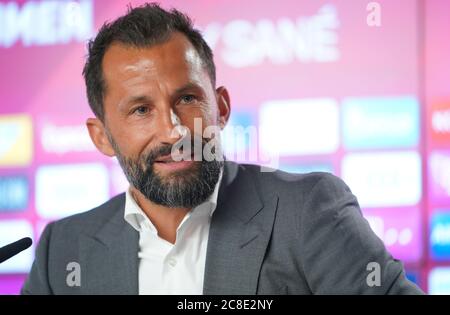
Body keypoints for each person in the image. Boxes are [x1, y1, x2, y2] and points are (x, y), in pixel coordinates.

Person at [22, 3, 423, 295]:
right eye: (141, 110)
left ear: (222, 108)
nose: (174, 130)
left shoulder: (309, 211)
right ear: (101, 136)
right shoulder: (64, 249)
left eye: (187, 99)